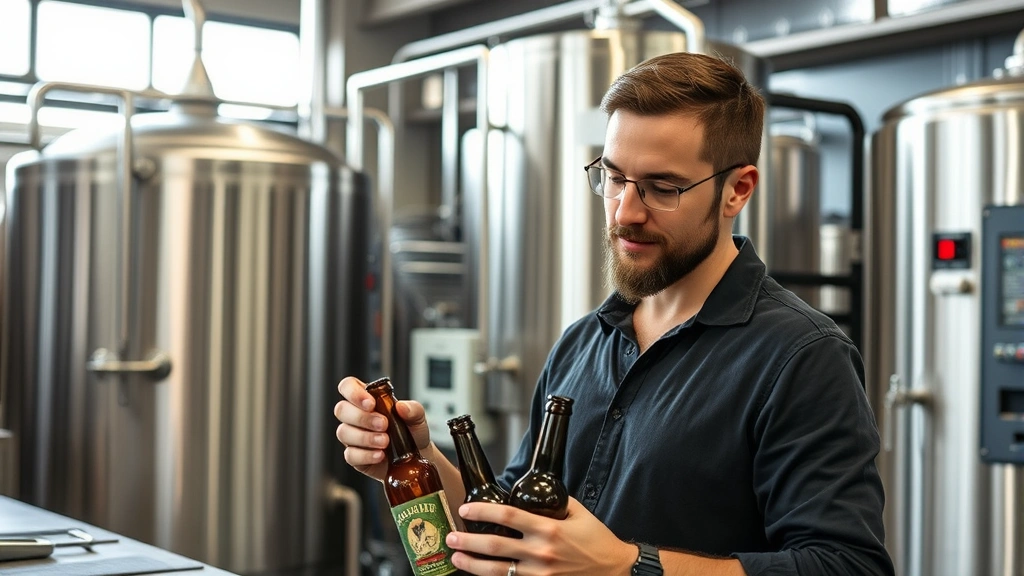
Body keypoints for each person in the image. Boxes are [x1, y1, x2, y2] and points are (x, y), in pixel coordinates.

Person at [335, 51, 894, 576]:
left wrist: (629, 565)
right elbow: (509, 523)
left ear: (737, 190)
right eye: (614, 177)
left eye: (662, 188)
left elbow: (847, 565)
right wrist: (417, 461)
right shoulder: (583, 343)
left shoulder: (802, 357)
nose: (626, 211)